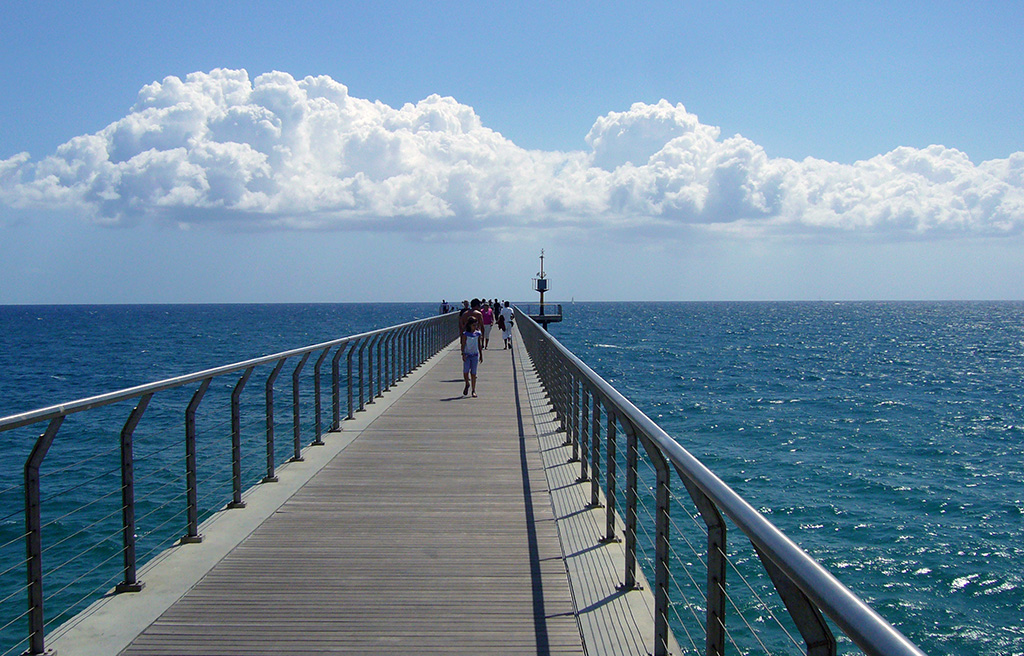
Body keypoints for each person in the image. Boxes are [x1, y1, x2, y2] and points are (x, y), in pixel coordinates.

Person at [461, 316, 483, 397]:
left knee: (473, 373)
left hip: (475, 355)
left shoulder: (478, 333)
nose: (475, 327)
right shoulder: (465, 334)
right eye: (473, 325)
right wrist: (463, 354)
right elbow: (463, 345)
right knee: (465, 372)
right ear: (469, 325)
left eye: (476, 325)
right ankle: (467, 383)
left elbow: (479, 344)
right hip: (467, 355)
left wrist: (481, 354)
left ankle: (473, 390)